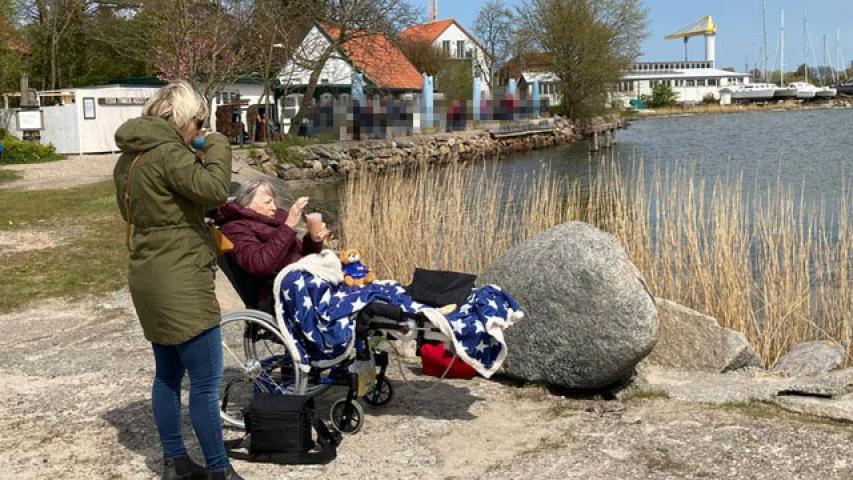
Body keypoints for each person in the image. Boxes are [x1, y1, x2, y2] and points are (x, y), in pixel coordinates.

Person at [113, 81, 243, 480]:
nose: (199, 131)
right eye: (199, 123)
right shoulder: (170, 153)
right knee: (205, 382)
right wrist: (217, 143)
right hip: (181, 278)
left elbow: (135, 211)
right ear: (185, 119)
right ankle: (219, 470)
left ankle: (176, 462)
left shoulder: (130, 158)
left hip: (148, 274)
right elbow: (215, 190)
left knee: (167, 375)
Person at [214, 179, 331, 308]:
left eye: (274, 201)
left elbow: (303, 256)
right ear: (246, 205)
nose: (274, 207)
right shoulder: (235, 229)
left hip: (303, 280)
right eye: (267, 202)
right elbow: (260, 265)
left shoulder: (274, 221)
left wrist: (313, 240)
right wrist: (289, 225)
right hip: (278, 294)